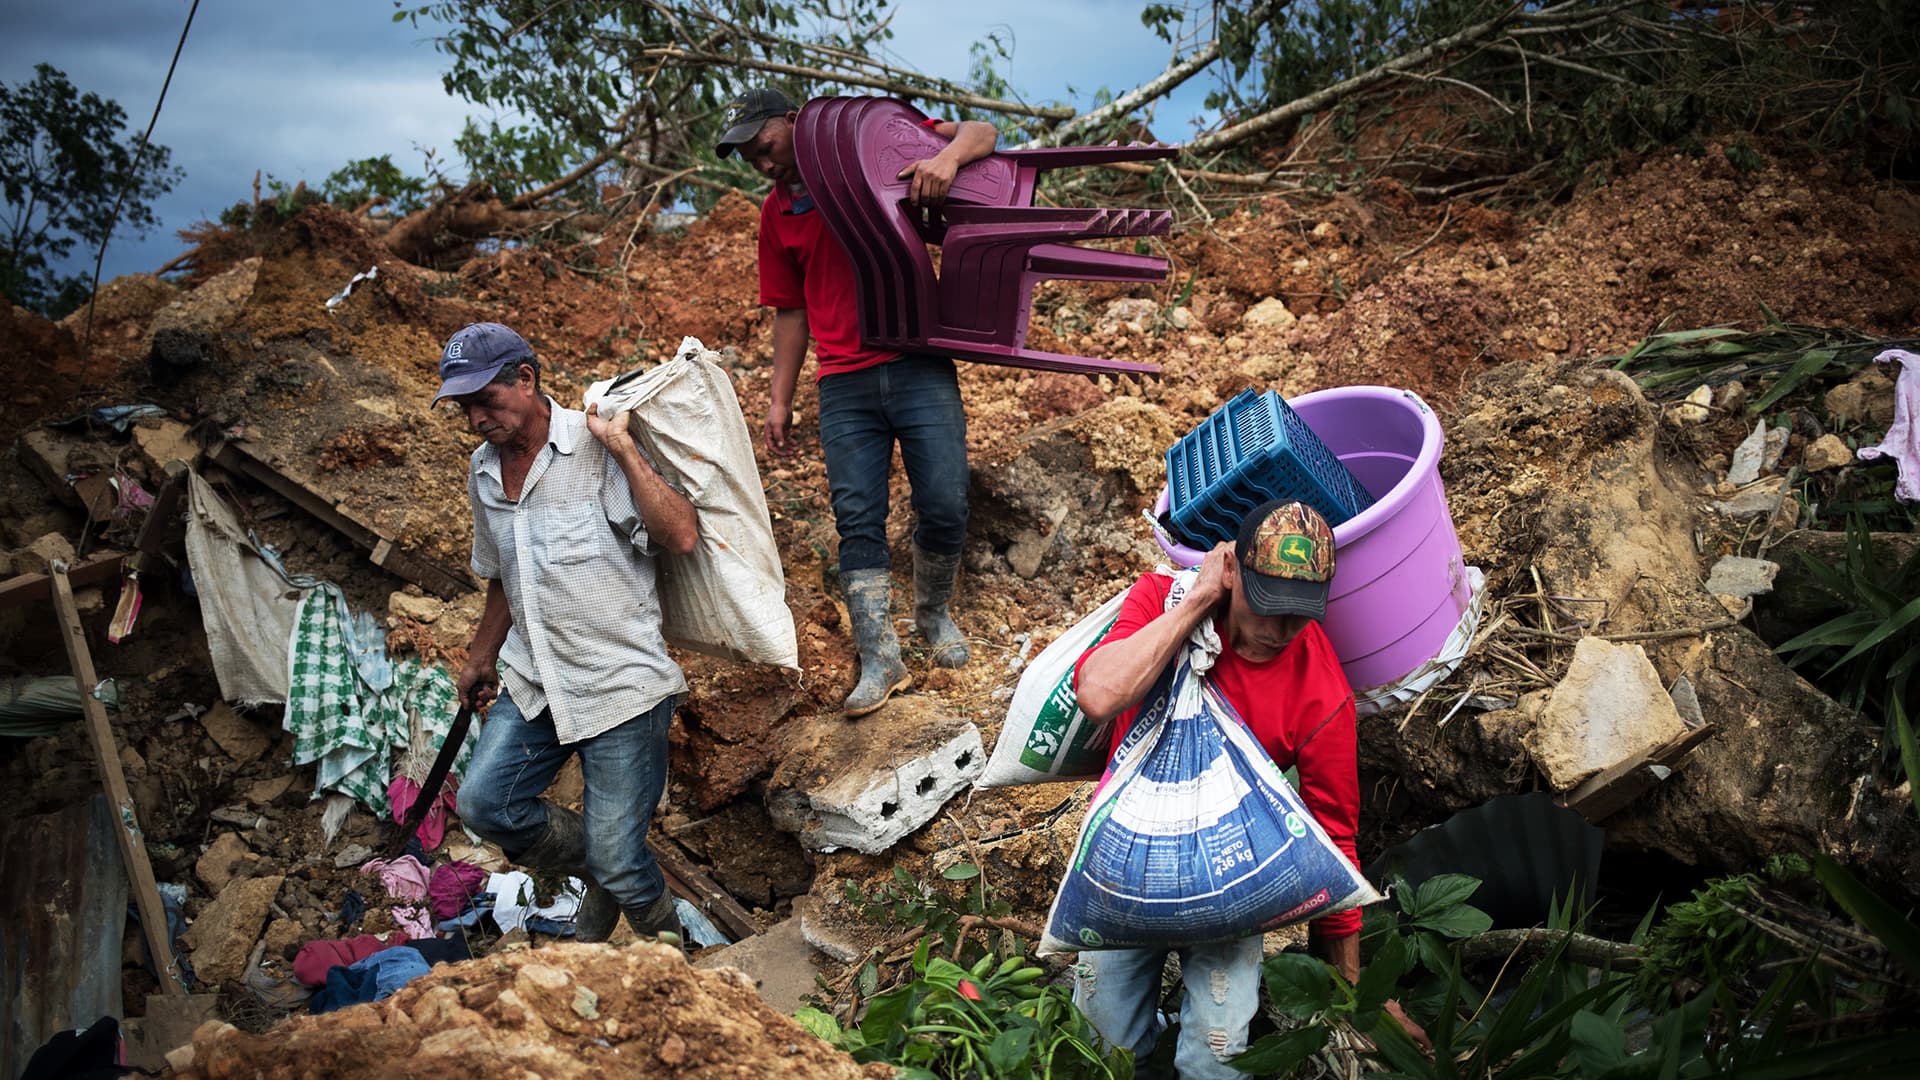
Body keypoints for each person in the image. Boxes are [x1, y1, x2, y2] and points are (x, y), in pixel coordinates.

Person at [1071, 499, 1429, 1076]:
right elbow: (1100, 694)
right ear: (1231, 570)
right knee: (1103, 1044)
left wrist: (1356, 994)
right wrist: (1198, 605)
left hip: (1230, 878)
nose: (1277, 630)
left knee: (1216, 1056)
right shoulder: (1162, 602)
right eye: (1264, 605)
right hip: (1129, 866)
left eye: (1297, 613)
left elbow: (1333, 841)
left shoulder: (1320, 690)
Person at [716, 87, 999, 717]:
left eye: (764, 145)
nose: (761, 163)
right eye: (748, 158)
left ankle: (933, 613)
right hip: (843, 382)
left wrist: (946, 160)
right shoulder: (775, 215)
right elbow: (790, 311)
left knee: (947, 502)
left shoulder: (869, 151)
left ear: (795, 122)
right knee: (858, 520)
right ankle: (880, 654)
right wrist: (779, 400)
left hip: (917, 362)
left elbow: (982, 132)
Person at [434, 321, 699, 943]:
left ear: (526, 379)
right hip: (536, 681)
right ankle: (615, 861)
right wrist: (480, 656)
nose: (476, 420)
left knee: (620, 862)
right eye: (464, 408)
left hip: (620, 687)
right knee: (484, 806)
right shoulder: (483, 471)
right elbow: (504, 571)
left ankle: (683, 966)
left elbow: (681, 534)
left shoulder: (599, 445)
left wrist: (626, 451)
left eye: (486, 401)